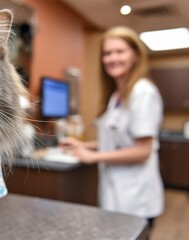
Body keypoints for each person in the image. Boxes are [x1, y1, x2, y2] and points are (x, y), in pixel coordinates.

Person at [60, 26, 164, 230]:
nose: (112, 58)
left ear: (135, 55)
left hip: (136, 197)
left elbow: (143, 150)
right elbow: (118, 142)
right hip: (115, 192)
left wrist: (92, 157)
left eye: (119, 52)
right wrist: (85, 145)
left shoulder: (142, 92)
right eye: (107, 53)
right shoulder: (116, 96)